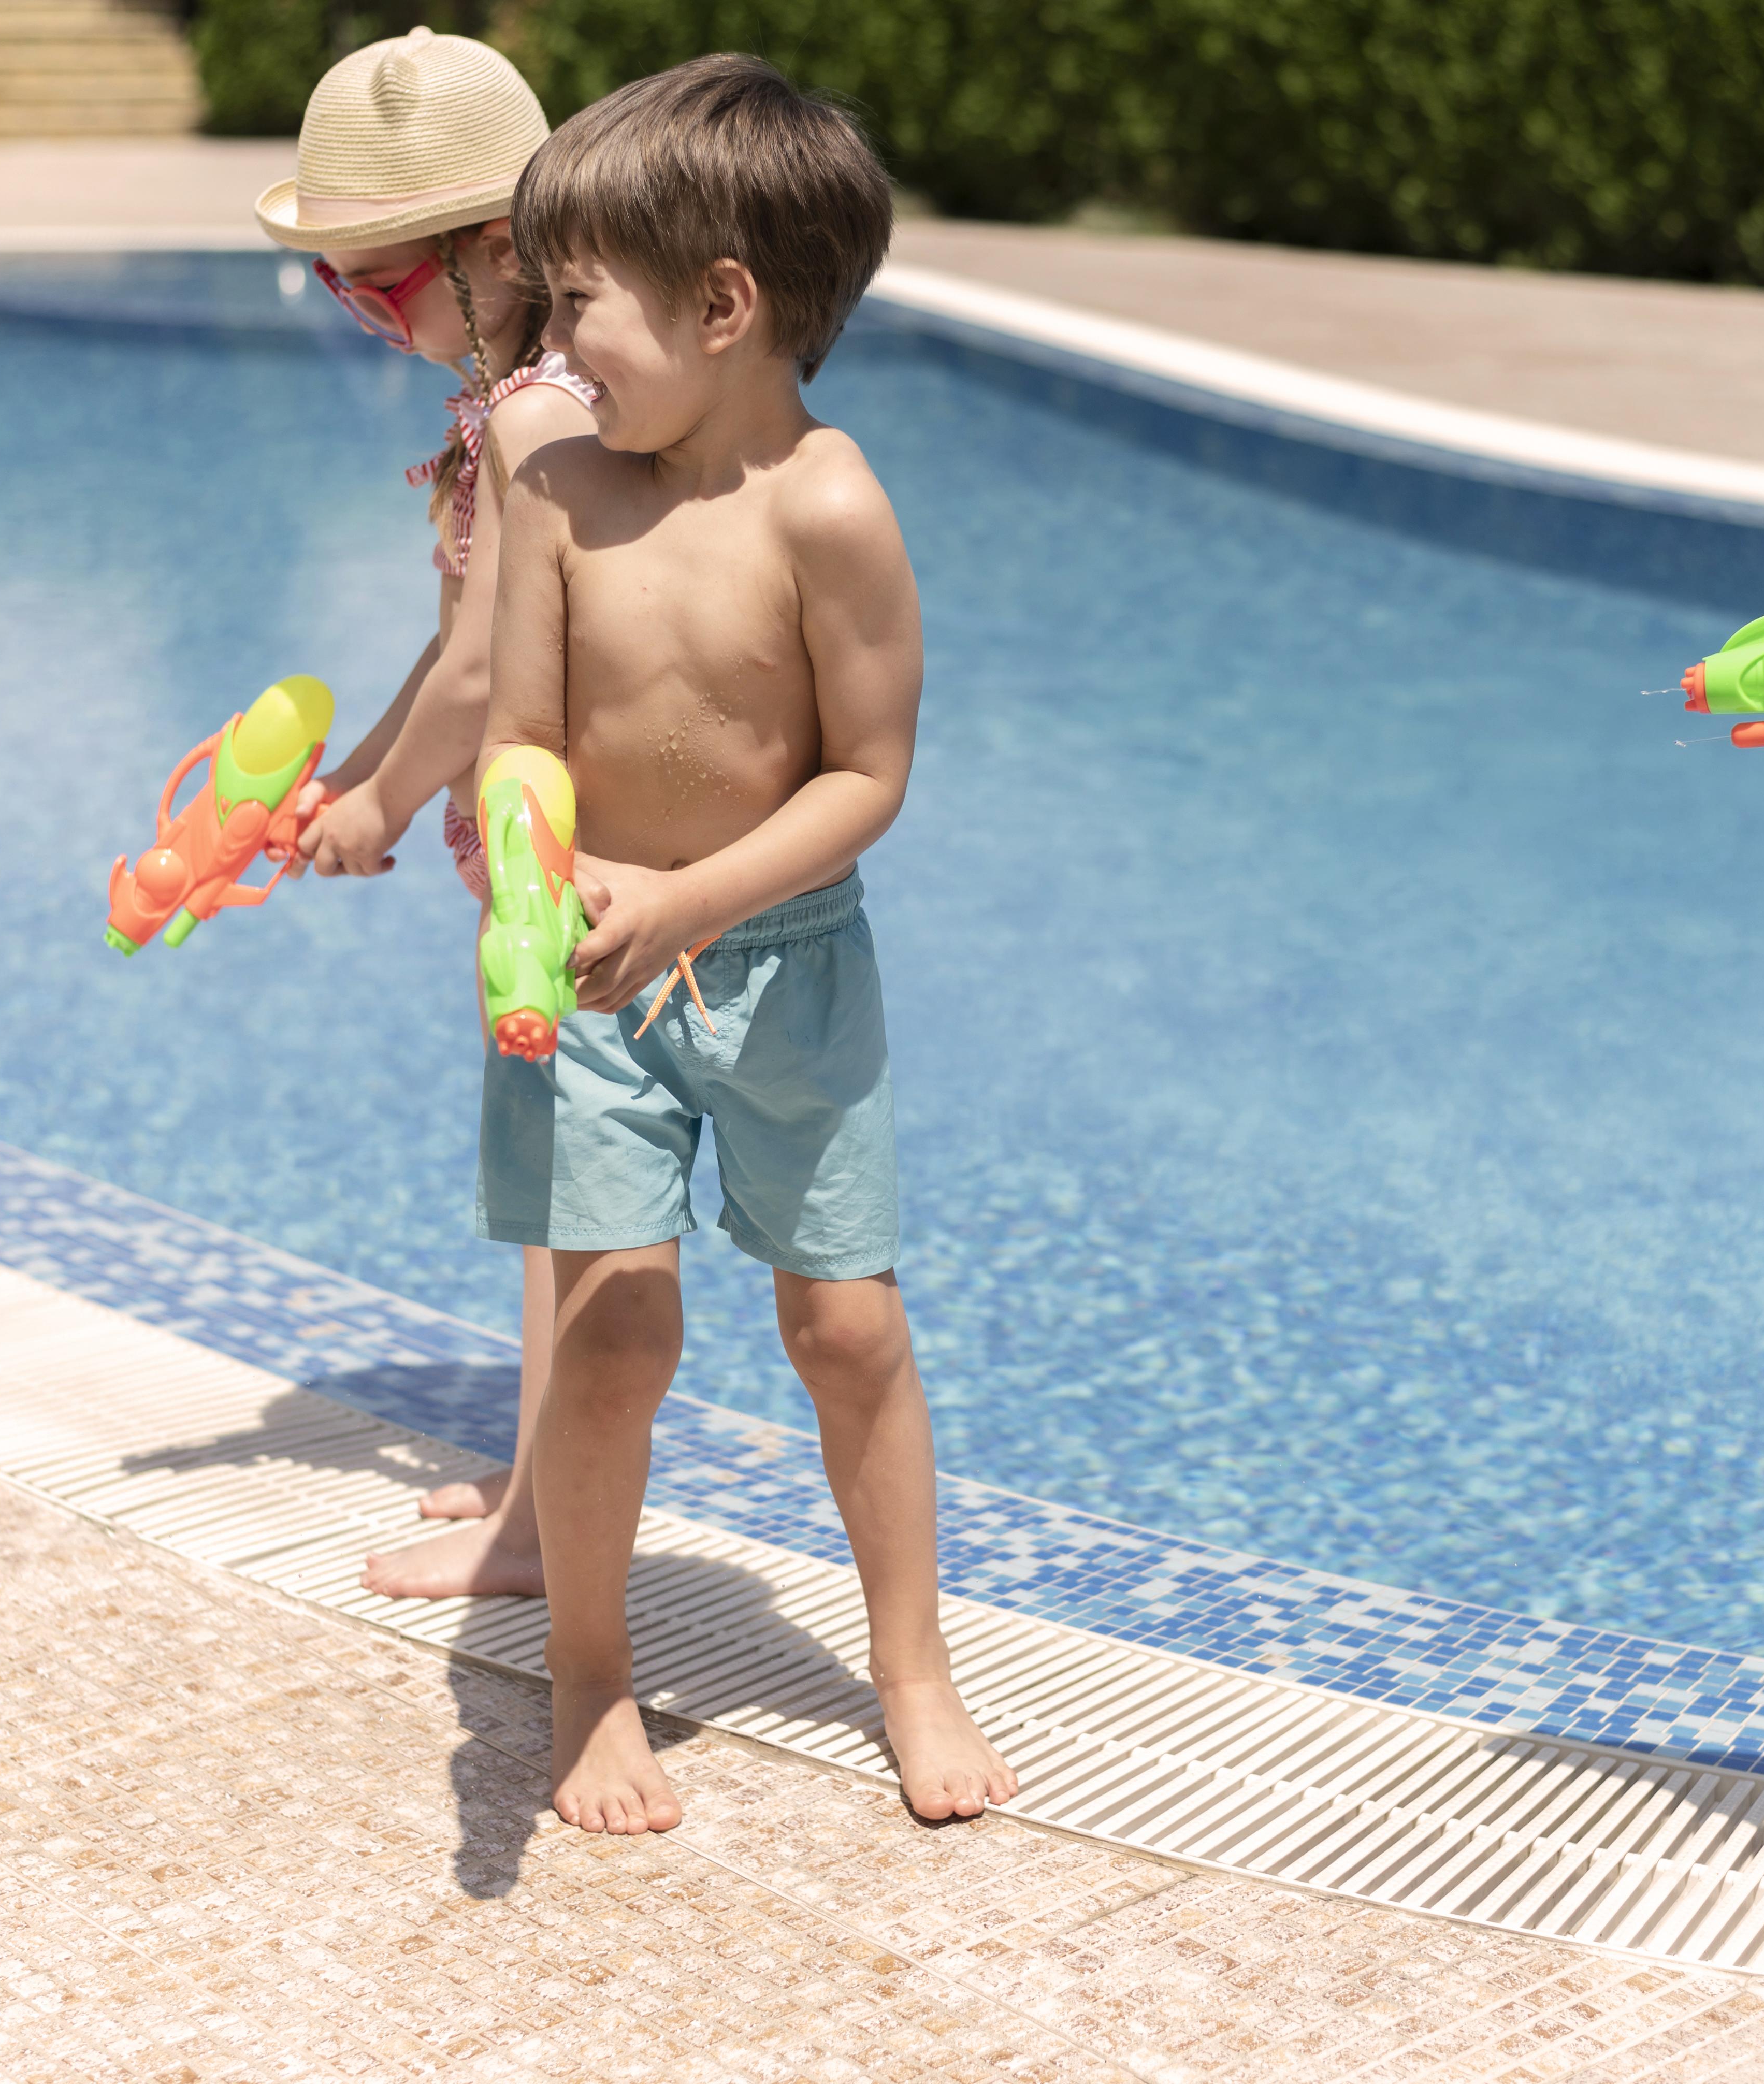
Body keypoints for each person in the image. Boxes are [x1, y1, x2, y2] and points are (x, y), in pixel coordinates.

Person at [382, 52, 1016, 1834]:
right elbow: (520, 716)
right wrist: (536, 857)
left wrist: (695, 900)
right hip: (583, 963)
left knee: (848, 1333)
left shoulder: (824, 509)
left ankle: (911, 1668)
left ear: (725, 305)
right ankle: (591, 1680)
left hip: (781, 961)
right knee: (612, 1331)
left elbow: (868, 778)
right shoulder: (563, 487)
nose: (559, 352)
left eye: (583, 309)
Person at [250, 28, 602, 1586]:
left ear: (501, 248)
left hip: (574, 873)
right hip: (528, 862)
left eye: (376, 284)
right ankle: (539, 1461)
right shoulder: (502, 400)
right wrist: (361, 778)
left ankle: (546, 1524)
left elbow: (485, 675)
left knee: (574, 1198)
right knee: (548, 1184)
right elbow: (443, 645)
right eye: (335, 285)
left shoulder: (543, 418)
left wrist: (380, 802)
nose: (359, 314)